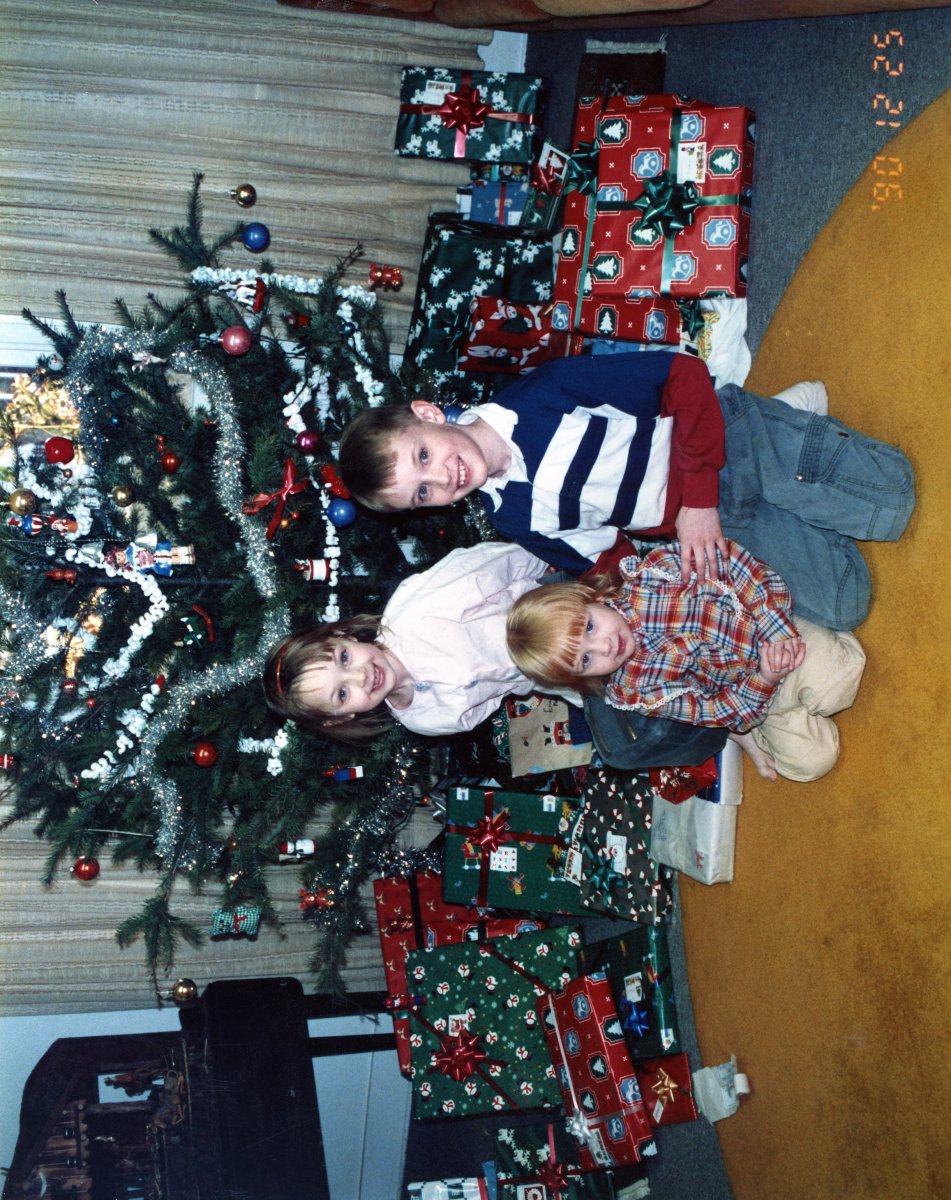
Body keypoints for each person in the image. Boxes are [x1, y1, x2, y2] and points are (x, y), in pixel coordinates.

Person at [337, 351, 915, 633]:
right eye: (422, 493)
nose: (442, 479)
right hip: (708, 526)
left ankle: (787, 423)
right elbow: (607, 560)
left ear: (428, 414)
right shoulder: (513, 518)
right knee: (847, 603)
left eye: (423, 457)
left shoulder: (545, 393)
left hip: (729, 439)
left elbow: (683, 376)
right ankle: (805, 486)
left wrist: (699, 499)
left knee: (896, 500)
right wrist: (660, 595)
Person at [504, 539, 866, 783]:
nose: (605, 646)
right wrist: (765, 680)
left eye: (589, 627)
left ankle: (815, 661)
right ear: (582, 680)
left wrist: (777, 631)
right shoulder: (635, 691)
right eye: (586, 660)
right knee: (811, 763)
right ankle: (755, 730)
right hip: (755, 694)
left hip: (772, 631)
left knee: (840, 681)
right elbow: (714, 711)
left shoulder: (653, 574)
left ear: (591, 597)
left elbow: (735, 562)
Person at [262, 541, 583, 745]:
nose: (361, 676)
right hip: (556, 673)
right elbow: (491, 699)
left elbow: (495, 563)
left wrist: (550, 564)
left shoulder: (414, 612)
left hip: (562, 607)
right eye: (342, 694)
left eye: (344, 659)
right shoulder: (422, 719)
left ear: (343, 637)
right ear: (342, 718)